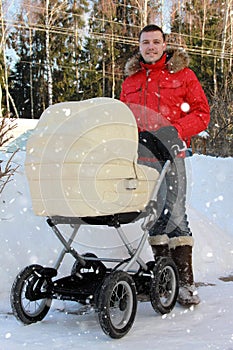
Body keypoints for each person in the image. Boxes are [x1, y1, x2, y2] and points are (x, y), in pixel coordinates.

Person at [120, 24, 210, 307]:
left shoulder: (183, 75)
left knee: (176, 215)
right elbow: (123, 117)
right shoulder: (130, 80)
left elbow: (202, 113)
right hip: (141, 159)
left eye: (156, 42)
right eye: (145, 42)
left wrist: (175, 131)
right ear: (140, 46)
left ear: (164, 44)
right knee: (154, 219)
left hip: (172, 157)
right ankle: (164, 281)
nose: (151, 47)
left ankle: (185, 284)